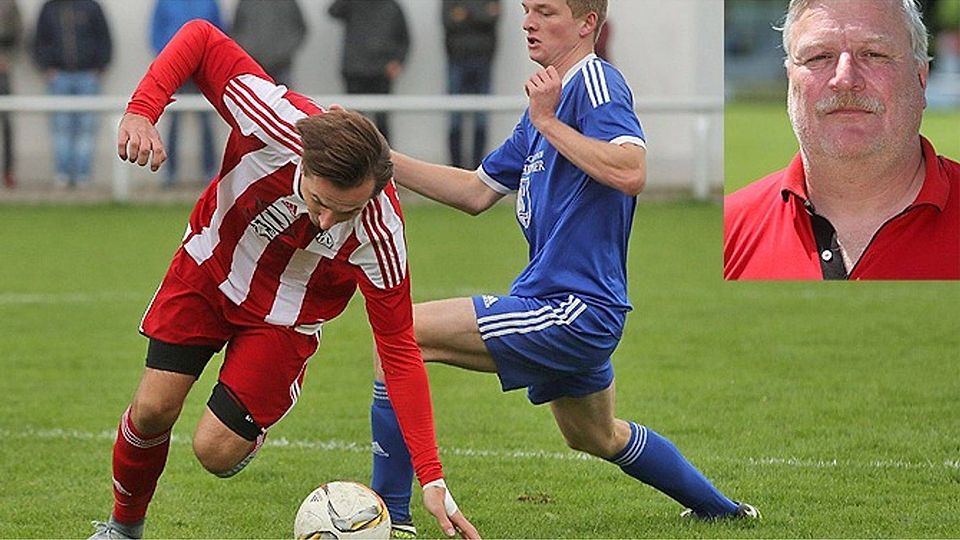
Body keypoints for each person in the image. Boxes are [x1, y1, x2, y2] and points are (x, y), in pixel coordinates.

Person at [367, 0, 760, 535]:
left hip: (572, 308)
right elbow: (475, 191)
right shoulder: (546, 107)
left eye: (546, 11)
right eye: (528, 10)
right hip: (574, 308)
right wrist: (382, 160)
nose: (528, 21)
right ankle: (724, 512)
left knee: (400, 335)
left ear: (586, 23)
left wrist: (548, 121)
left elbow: (631, 169)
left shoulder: (594, 83)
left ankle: (392, 518)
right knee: (596, 436)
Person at [88, 20, 478, 540]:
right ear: (305, 163)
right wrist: (142, 109)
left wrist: (432, 475)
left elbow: (400, 349)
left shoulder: (382, 231)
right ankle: (122, 528)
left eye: (348, 211)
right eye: (320, 203)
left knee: (215, 452)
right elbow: (200, 38)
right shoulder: (274, 120)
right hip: (210, 269)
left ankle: (248, 431)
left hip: (288, 320)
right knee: (154, 408)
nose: (328, 223)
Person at [724, 0, 960, 280]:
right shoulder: (728, 231)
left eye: (873, 54)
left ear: (921, 79)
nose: (845, 79)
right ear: (790, 81)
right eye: (819, 57)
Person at [32, 0, 112, 189]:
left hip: (87, 76)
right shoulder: (49, 8)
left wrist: (99, 67)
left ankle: (83, 176)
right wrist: (47, 67)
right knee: (60, 128)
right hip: (59, 77)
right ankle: (63, 175)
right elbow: (37, 40)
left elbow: (104, 39)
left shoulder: (92, 7)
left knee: (87, 128)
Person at [150, 0, 222, 188]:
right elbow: (156, 33)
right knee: (173, 123)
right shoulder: (165, 3)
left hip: (203, 72)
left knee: (207, 123)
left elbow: (220, 34)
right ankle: (169, 174)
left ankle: (211, 174)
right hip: (176, 72)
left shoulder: (209, 3)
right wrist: (170, 60)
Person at [328, 0, 409, 144]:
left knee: (382, 121)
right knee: (355, 123)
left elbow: (404, 38)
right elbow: (333, 11)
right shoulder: (352, 4)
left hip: (381, 72)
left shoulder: (392, 6)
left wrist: (398, 61)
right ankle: (356, 160)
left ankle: (386, 160)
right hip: (355, 71)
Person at [442, 0, 501, 169]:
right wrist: (481, 13)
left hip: (483, 61)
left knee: (481, 117)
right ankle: (455, 167)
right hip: (457, 60)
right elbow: (449, 21)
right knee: (455, 117)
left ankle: (478, 167)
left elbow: (493, 19)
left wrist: (466, 13)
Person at [231, 0, 307, 87]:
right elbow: (236, 28)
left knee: (285, 98)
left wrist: (284, 51)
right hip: (253, 64)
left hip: (282, 65)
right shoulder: (246, 2)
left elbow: (300, 28)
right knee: (255, 97)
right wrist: (247, 48)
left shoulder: (288, 2)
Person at [0, 0, 21, 189]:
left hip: (2, 70)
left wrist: (7, 59)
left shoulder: (9, 4)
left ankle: (8, 171)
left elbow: (18, 34)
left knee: (6, 124)